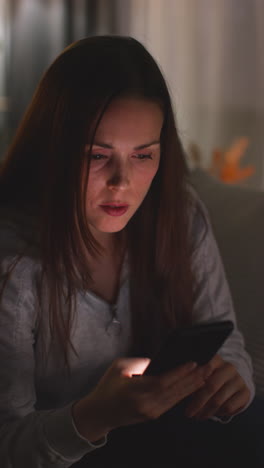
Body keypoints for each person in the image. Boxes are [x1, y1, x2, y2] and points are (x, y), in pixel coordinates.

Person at [0, 35, 262, 468]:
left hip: (171, 435)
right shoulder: (15, 265)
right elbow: (7, 443)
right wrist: (94, 417)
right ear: (54, 152)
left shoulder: (179, 214)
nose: (122, 182)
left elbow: (224, 336)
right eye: (98, 155)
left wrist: (235, 381)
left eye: (143, 155)